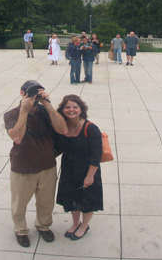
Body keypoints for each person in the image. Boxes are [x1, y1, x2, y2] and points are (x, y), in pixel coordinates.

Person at [4, 80, 67, 247]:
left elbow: (63, 130)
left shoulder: (45, 111)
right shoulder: (11, 114)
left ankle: (43, 225)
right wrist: (24, 111)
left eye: (37, 93)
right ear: (22, 94)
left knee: (46, 201)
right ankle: (20, 230)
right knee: (20, 203)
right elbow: (17, 137)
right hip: (23, 167)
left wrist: (47, 104)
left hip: (47, 165)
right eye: (31, 93)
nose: (34, 97)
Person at [55, 95, 103, 241]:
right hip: (69, 170)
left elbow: (97, 154)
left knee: (87, 201)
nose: (71, 110)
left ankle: (84, 225)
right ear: (62, 110)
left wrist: (90, 176)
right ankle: (76, 223)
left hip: (87, 170)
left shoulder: (91, 128)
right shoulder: (62, 127)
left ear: (81, 109)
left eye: (75, 107)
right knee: (72, 199)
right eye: (67, 107)